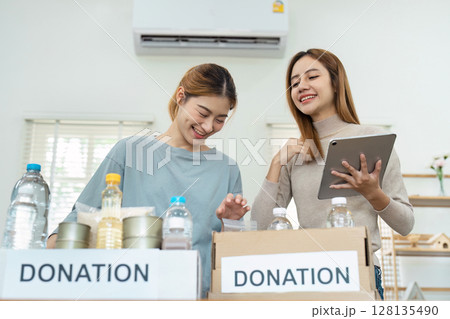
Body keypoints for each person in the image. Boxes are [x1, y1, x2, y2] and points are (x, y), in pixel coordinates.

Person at [46, 63, 250, 298]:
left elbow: (231, 259)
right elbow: (81, 217)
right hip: (130, 296)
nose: (207, 126)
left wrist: (232, 223)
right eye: (203, 113)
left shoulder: (226, 169)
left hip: (197, 300)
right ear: (181, 96)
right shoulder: (130, 152)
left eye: (219, 119)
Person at [251, 49, 414, 300]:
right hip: (307, 276)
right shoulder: (296, 151)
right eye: (294, 83)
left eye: (311, 77)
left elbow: (405, 224)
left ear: (336, 83)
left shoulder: (372, 141)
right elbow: (260, 226)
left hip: (361, 276)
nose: (301, 87)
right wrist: (276, 164)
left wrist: (373, 194)